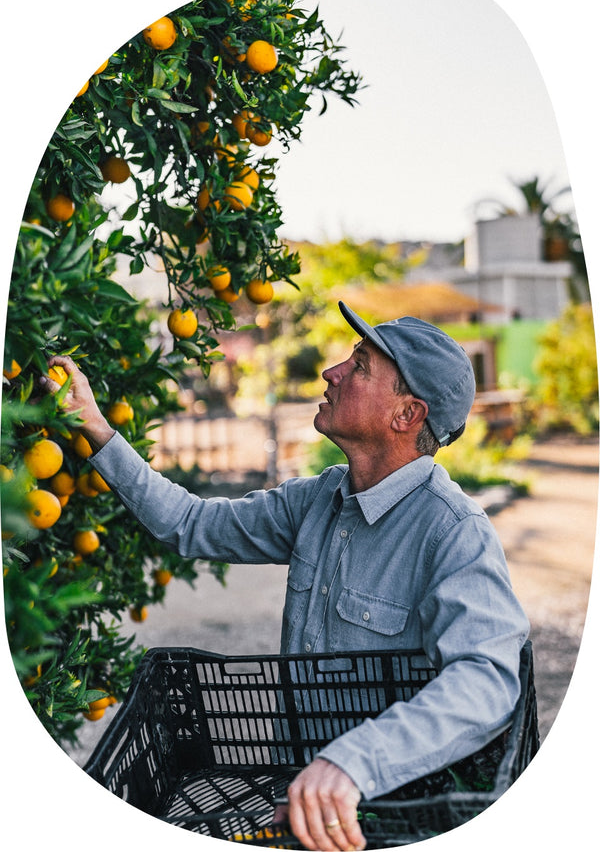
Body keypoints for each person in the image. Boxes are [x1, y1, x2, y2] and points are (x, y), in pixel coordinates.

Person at [42, 301, 529, 852]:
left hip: (384, 816)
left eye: (360, 365)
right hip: (295, 794)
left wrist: (351, 763)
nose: (332, 372)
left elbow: (487, 681)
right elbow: (190, 523)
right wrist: (98, 430)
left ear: (406, 415)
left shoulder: (454, 533)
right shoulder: (318, 500)